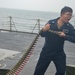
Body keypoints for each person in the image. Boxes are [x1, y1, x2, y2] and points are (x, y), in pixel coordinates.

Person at [33, 6, 75, 75]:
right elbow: (42, 34)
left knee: (61, 72)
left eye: (71, 15)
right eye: (68, 14)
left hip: (59, 52)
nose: (70, 17)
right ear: (62, 14)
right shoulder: (51, 22)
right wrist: (44, 30)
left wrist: (65, 36)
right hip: (46, 51)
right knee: (39, 71)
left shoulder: (69, 26)